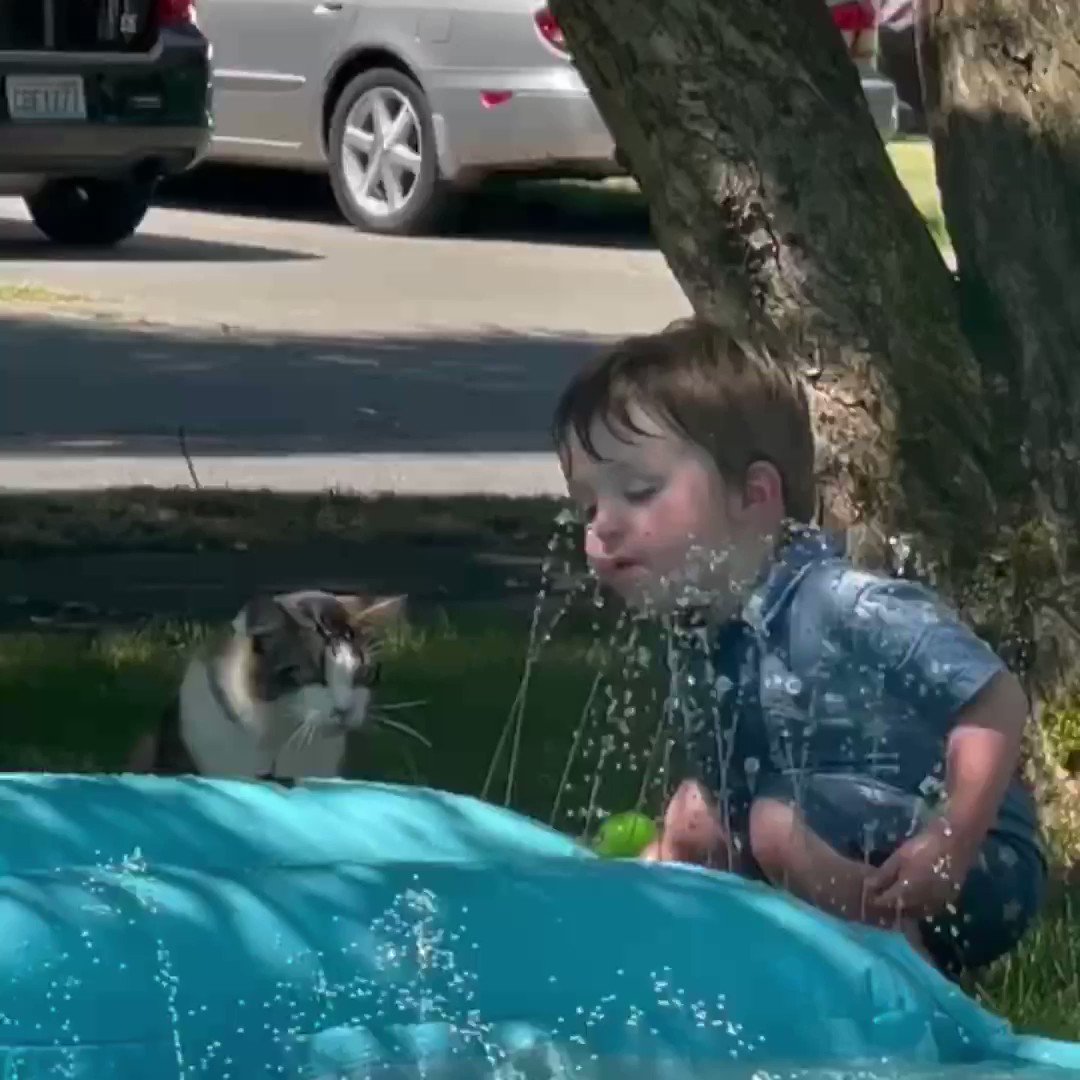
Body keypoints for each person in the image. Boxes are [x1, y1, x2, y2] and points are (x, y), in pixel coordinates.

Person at [552, 316, 1047, 976]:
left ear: (755, 497)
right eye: (587, 506)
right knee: (695, 814)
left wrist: (950, 841)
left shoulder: (843, 603)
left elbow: (997, 699)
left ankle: (907, 976)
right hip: (831, 828)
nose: (603, 527)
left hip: (974, 864)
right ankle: (692, 963)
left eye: (639, 492)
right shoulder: (703, 627)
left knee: (776, 822)